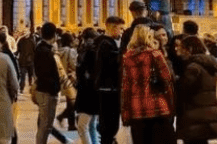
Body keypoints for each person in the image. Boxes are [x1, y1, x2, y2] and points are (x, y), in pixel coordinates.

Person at [121, 23, 176, 144]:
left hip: (137, 109)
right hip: (158, 106)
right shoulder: (155, 54)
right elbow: (167, 79)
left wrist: (125, 112)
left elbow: (125, 86)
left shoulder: (127, 57)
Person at [175, 35, 217, 144]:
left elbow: (183, 90)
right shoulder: (209, 64)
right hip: (206, 115)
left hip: (193, 117)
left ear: (189, 49)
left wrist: (176, 80)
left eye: (181, 47)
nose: (178, 49)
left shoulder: (193, 67)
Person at [33, 22, 65, 144]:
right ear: (54, 35)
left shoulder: (42, 48)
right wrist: (55, 88)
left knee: (46, 125)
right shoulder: (45, 51)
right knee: (45, 126)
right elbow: (46, 73)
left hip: (45, 90)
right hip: (47, 91)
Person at [94, 15, 124, 144]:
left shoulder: (102, 42)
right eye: (120, 28)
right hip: (108, 88)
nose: (122, 31)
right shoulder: (106, 44)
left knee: (108, 123)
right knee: (109, 122)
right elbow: (110, 66)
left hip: (106, 87)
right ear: (112, 27)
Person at [74, 27, 99, 144]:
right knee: (91, 125)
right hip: (94, 92)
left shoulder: (89, 52)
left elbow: (85, 72)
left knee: (82, 126)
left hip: (88, 93)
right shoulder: (96, 50)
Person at [55, 32, 77, 131]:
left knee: (70, 101)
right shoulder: (70, 51)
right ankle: (64, 118)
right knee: (73, 102)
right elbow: (73, 65)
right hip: (71, 78)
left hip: (62, 78)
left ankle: (71, 124)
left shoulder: (58, 51)